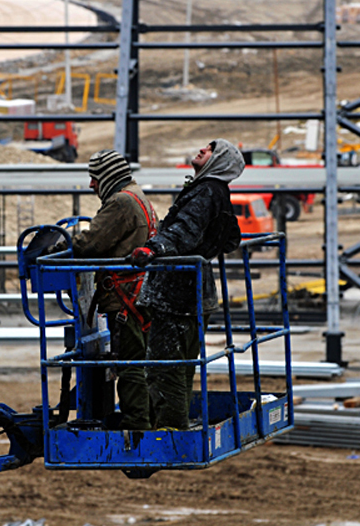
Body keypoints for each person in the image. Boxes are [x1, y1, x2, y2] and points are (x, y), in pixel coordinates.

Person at [131, 139, 245, 429]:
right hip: (196, 291)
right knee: (181, 368)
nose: (201, 149)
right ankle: (175, 426)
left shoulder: (206, 192)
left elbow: (185, 229)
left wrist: (154, 249)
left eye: (210, 149)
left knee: (164, 370)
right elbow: (231, 237)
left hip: (176, 295)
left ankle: (169, 435)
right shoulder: (218, 192)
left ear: (219, 161)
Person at [69, 149, 158, 431]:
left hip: (126, 300)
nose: (92, 185)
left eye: (94, 178)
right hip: (140, 296)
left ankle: (137, 426)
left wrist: (57, 247)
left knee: (129, 364)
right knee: (143, 362)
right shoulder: (137, 195)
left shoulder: (120, 202)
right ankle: (148, 418)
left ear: (107, 176)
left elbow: (89, 243)